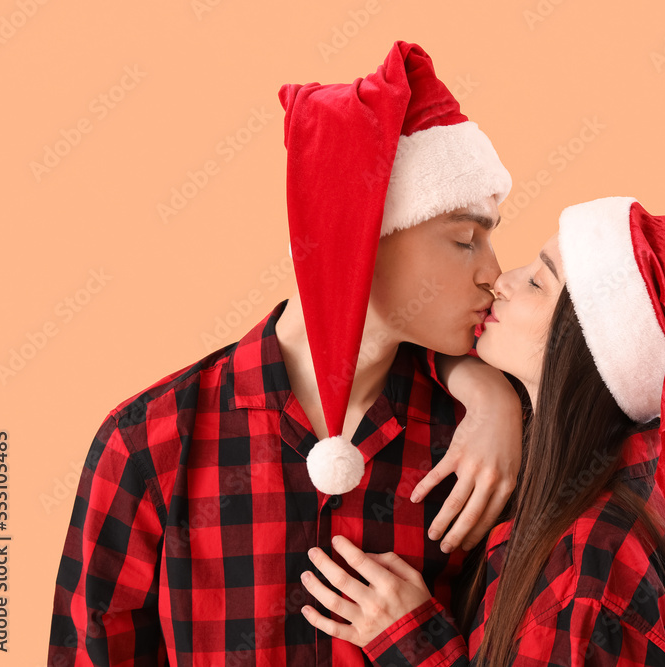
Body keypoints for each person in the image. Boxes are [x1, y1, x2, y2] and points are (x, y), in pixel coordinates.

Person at [46, 41, 527, 666]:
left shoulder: (478, 447)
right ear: (361, 236)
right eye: (465, 238)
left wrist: (499, 400)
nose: (495, 272)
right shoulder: (147, 444)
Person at [298, 196, 665, 666]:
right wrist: (487, 398)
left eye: (539, 282)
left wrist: (412, 639)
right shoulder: (582, 496)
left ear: (583, 349)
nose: (503, 282)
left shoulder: (590, 563)